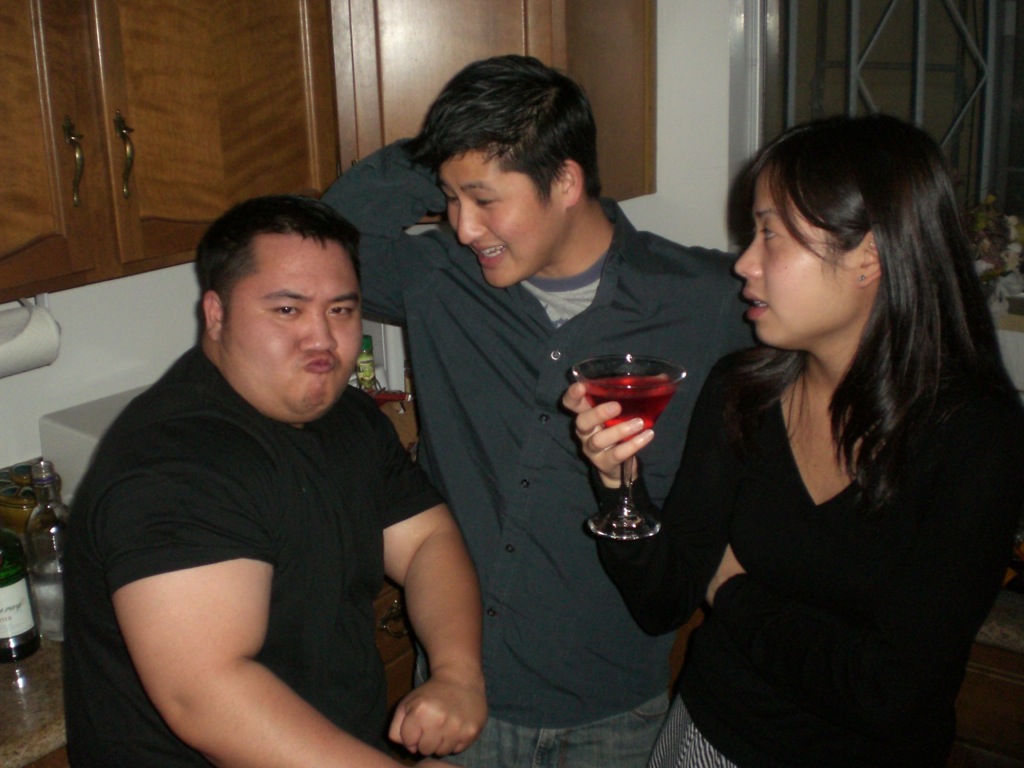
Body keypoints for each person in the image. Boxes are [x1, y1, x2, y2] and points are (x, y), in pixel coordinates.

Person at [320, 54, 752, 768]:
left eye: (485, 199)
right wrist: (442, 149)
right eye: (451, 199)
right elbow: (324, 236)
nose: (462, 227)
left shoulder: (702, 301)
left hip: (617, 703)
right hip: (465, 699)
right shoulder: (439, 280)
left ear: (567, 181)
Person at [563, 113, 1024, 768]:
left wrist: (732, 592)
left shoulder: (977, 439)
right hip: (708, 739)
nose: (744, 262)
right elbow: (662, 600)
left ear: (870, 254)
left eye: (771, 236)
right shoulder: (742, 393)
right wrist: (617, 486)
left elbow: (890, 692)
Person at [62, 195, 486, 767]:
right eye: (287, 310)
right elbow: (207, 694)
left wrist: (457, 673)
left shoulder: (348, 418)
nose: (322, 340)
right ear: (216, 314)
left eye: (340, 310)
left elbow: (427, 543)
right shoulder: (174, 463)